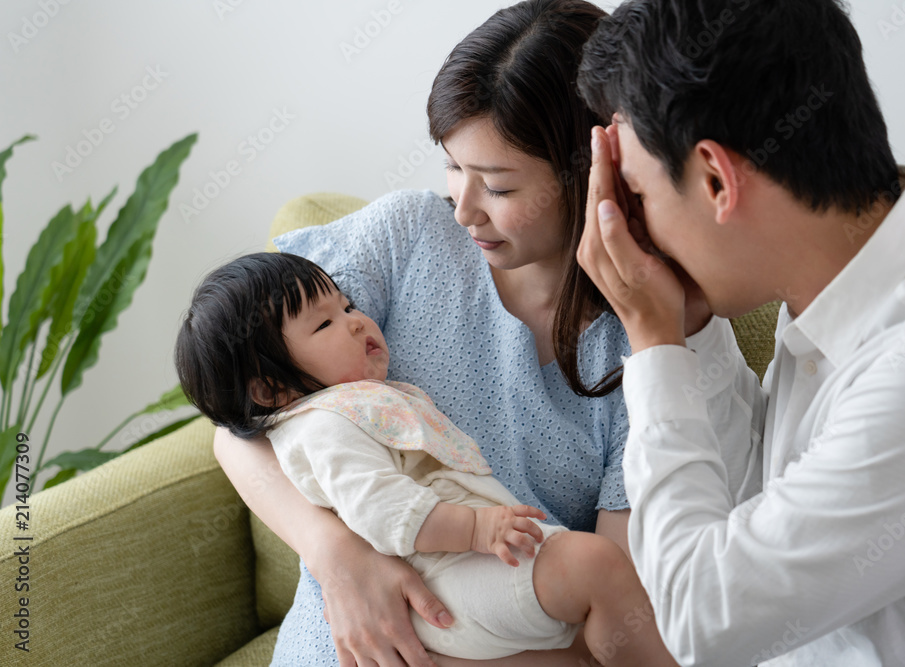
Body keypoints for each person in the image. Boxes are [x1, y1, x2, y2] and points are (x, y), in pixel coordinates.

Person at [211, 1, 758, 665]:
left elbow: (616, 619)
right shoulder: (402, 238)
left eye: (497, 186)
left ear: (590, 173)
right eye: (452, 166)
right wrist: (337, 555)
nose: (464, 209)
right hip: (339, 638)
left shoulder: (648, 337)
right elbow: (239, 428)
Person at [576, 0, 905, 665]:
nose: (639, 232)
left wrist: (653, 341)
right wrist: (690, 332)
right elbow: (757, 509)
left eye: (640, 196)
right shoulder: (846, 265)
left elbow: (701, 621)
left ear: (716, 180)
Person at [175, 252, 675, 664]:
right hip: (442, 579)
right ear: (270, 391)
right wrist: (477, 529)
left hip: (462, 577)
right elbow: (383, 510)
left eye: (347, 305)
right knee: (595, 566)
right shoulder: (324, 425)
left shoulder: (358, 401)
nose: (355, 321)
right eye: (325, 323)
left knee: (588, 616)